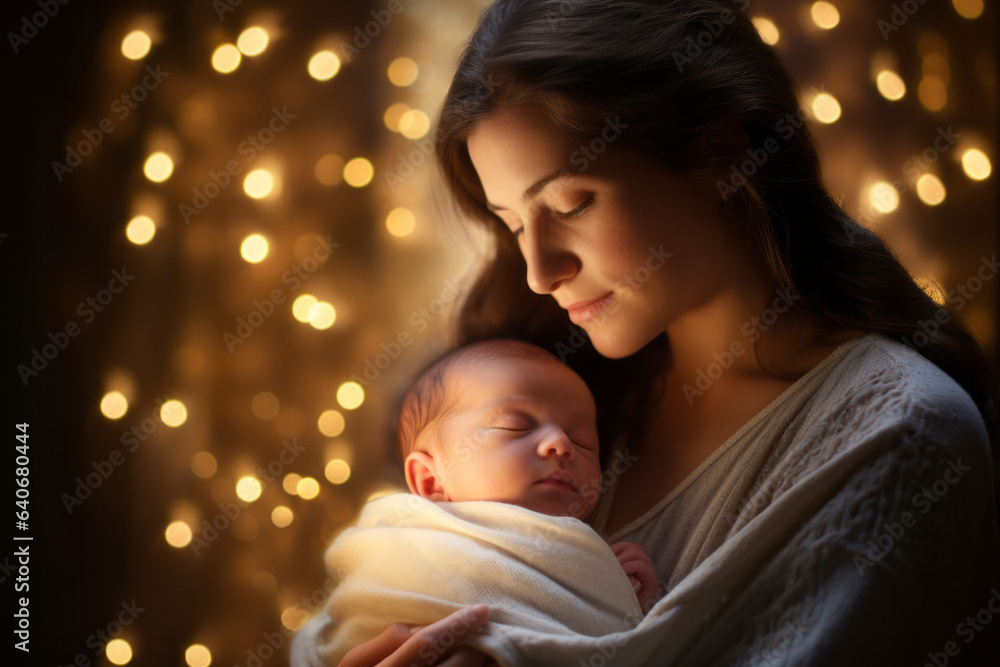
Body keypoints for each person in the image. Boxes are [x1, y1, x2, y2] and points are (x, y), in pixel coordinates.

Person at [312, 0, 1000, 664]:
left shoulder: (900, 429)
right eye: (514, 223)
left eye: (573, 201)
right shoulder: (542, 389)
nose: (539, 271)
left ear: (721, 152)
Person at [292, 339, 662, 666]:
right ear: (430, 480)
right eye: (516, 426)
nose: (561, 444)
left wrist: (618, 595)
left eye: (582, 441)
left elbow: (618, 645)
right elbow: (353, 613)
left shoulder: (589, 555)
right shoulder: (408, 541)